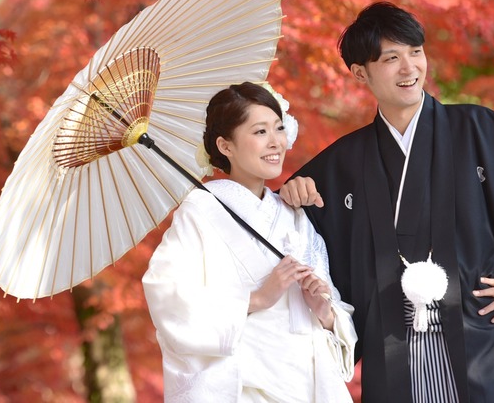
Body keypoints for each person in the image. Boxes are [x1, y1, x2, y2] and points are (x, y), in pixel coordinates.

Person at [280, 2, 494, 403]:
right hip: (395, 363)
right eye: (391, 58)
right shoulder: (342, 164)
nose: (409, 68)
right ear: (360, 72)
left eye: (416, 52)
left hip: (487, 352)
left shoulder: (479, 130)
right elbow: (285, 236)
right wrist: (291, 198)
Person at [143, 82, 357, 403]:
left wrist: (324, 312)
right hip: (246, 385)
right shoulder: (201, 210)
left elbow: (330, 306)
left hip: (309, 382)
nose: (276, 142)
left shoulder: (293, 215)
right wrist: (256, 299)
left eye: (279, 128)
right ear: (225, 146)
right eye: (260, 132)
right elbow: (168, 297)